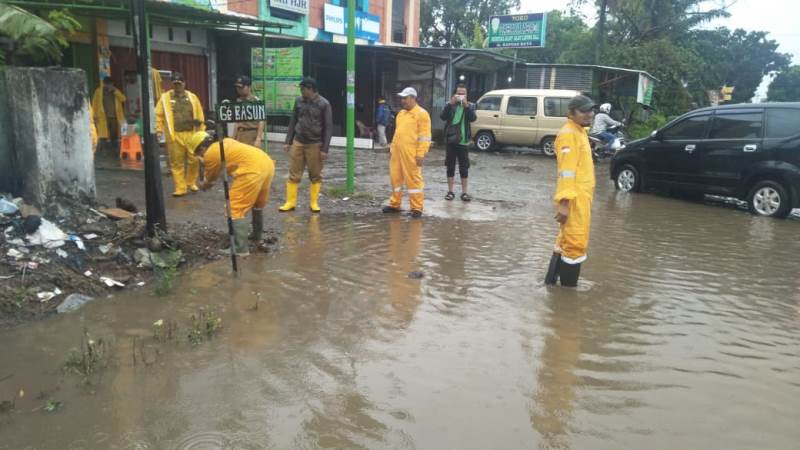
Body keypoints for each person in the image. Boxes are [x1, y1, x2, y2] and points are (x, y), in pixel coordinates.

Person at [189, 132, 275, 257]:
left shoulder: (210, 154)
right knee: (257, 203)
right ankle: (257, 236)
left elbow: (210, 180)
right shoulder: (225, 142)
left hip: (251, 170)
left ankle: (240, 249)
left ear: (201, 148)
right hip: (267, 164)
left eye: (198, 153)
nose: (199, 156)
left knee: (234, 208)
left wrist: (202, 185)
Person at [545, 95, 596, 287]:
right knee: (576, 243)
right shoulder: (569, 134)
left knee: (565, 240)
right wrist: (564, 203)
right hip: (574, 199)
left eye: (591, 110)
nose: (589, 114)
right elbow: (566, 172)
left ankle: (550, 285)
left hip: (581, 197)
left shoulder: (579, 131)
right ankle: (567, 297)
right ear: (571, 113)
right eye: (584, 111)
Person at [279, 77, 333, 213]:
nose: (301, 91)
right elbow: (293, 122)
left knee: (315, 174)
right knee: (293, 173)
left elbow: (328, 127)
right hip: (298, 141)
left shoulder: (324, 104)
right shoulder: (298, 101)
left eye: (303, 89)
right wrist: (288, 141)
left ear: (310, 89)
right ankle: (290, 202)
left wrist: (324, 149)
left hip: (315, 144)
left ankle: (314, 203)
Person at [382, 87, 432, 218]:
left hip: (411, 154)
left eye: (405, 98)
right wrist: (392, 148)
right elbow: (397, 134)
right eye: (402, 98)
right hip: (397, 153)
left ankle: (416, 207)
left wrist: (421, 154)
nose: (402, 100)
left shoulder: (422, 114)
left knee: (413, 180)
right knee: (395, 179)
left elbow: (425, 136)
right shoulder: (401, 114)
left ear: (413, 98)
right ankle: (395, 204)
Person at [155, 72, 205, 197]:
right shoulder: (165, 98)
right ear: (172, 84)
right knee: (176, 162)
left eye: (179, 83)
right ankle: (180, 187)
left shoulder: (193, 97)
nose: (177, 86)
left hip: (191, 133)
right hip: (174, 135)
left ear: (184, 83)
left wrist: (201, 133)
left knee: (194, 159)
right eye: (175, 84)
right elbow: (158, 115)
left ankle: (191, 182)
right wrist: (158, 130)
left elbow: (199, 115)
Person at [440, 83, 477, 202]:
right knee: (450, 166)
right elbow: (442, 117)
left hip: (463, 141)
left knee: (464, 167)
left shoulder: (470, 105)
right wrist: (450, 104)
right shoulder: (449, 105)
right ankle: (450, 191)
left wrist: (466, 106)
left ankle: (464, 193)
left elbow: (473, 118)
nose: (460, 95)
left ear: (466, 95)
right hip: (451, 140)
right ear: (454, 94)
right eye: (458, 93)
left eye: (463, 93)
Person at [91, 76, 126, 153]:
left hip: (114, 117)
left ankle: (114, 149)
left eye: (109, 84)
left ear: (112, 84)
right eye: (106, 84)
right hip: (103, 116)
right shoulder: (98, 91)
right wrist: (94, 115)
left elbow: (123, 99)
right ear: (103, 83)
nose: (108, 86)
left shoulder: (116, 91)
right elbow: (95, 104)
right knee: (103, 135)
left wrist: (115, 91)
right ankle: (103, 150)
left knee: (114, 134)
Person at [232, 75, 265, 148]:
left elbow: (261, 121)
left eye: (241, 87)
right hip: (239, 135)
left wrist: (258, 139)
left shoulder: (256, 101)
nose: (239, 89)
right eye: (237, 87)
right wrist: (233, 138)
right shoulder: (238, 101)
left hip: (251, 134)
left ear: (249, 87)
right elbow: (237, 122)